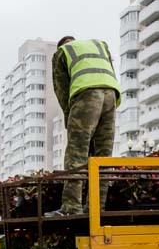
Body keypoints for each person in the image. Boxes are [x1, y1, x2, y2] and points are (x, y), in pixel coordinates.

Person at [51, 34, 120, 214]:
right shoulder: (99, 45)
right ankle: (97, 208)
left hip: (86, 96)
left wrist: (69, 119)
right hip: (111, 95)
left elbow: (62, 91)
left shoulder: (62, 52)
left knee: (77, 152)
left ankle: (71, 207)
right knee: (103, 157)